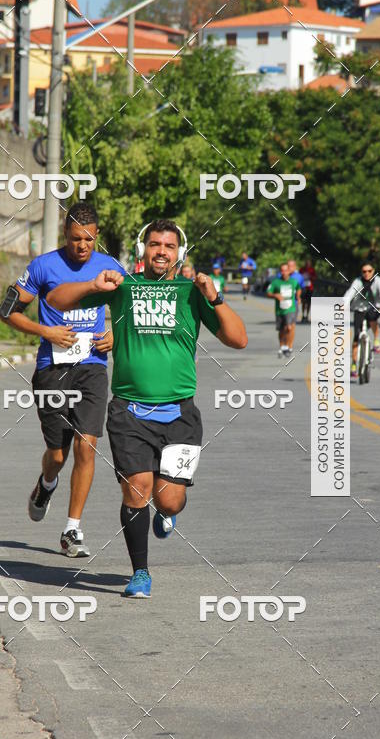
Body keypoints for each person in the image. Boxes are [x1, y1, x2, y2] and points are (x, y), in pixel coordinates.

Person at [48, 219, 247, 599]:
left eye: (169, 246)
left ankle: (168, 511)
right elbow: (55, 301)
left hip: (180, 415)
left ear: (179, 253)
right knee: (136, 490)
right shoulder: (124, 288)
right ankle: (140, 572)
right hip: (129, 412)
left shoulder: (191, 292)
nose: (161, 252)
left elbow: (238, 339)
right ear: (143, 250)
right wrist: (94, 285)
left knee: (168, 498)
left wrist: (215, 296)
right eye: (155, 244)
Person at [0, 202, 118, 558]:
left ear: (97, 236)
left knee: (87, 445)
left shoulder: (110, 266)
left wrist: (118, 334)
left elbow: (131, 311)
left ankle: (72, 530)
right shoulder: (43, 266)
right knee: (57, 453)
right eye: (75, 238)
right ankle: (46, 484)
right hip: (52, 368)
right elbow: (7, 311)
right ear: (64, 235)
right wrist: (46, 331)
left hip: (92, 367)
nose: (82, 246)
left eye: (89, 239)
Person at [344, 261, 380, 379]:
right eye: (364, 271)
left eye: (369, 271)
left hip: (375, 307)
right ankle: (354, 365)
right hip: (359, 309)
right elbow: (350, 293)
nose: (367, 274)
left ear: (373, 271)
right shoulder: (358, 281)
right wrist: (344, 303)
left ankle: (376, 340)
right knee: (356, 337)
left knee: (373, 318)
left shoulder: (378, 281)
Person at [266, 261, 301, 357]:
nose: (284, 272)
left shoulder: (293, 281)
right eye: (282, 270)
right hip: (280, 309)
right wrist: (275, 295)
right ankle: (282, 346)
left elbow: (298, 288)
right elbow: (268, 293)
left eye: (286, 270)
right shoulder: (276, 282)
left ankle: (289, 347)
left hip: (291, 308)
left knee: (289, 327)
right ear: (280, 272)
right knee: (281, 330)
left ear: (289, 271)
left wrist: (298, 297)